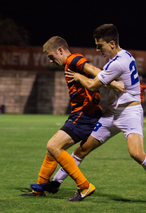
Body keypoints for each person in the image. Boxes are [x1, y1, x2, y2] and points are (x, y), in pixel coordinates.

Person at [31, 24, 146, 206]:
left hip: (129, 113)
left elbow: (92, 85)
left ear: (112, 43)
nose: (97, 49)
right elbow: (105, 79)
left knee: (137, 154)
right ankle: (55, 183)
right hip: (111, 114)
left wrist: (78, 77)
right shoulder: (120, 57)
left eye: (100, 45)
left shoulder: (117, 63)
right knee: (81, 149)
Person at [20, 36, 124, 201]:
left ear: (60, 50)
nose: (51, 61)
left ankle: (84, 186)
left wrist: (112, 83)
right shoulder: (70, 63)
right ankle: (40, 189)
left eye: (51, 57)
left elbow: (94, 69)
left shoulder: (73, 59)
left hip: (85, 114)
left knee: (53, 146)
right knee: (52, 148)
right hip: (80, 113)